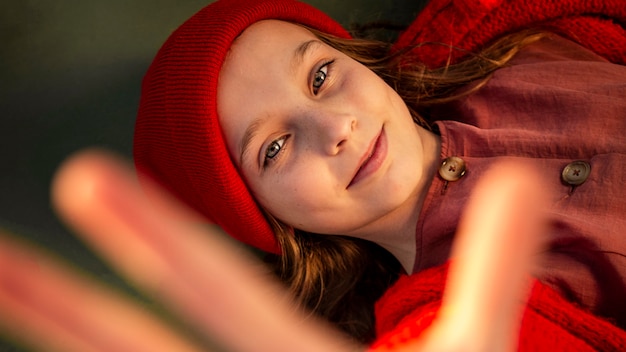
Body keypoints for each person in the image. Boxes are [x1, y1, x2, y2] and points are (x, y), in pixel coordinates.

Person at [1, 0, 625, 351]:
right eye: (273, 149)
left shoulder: (503, 26)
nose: (336, 129)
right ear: (270, 219)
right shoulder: (444, 315)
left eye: (321, 76)